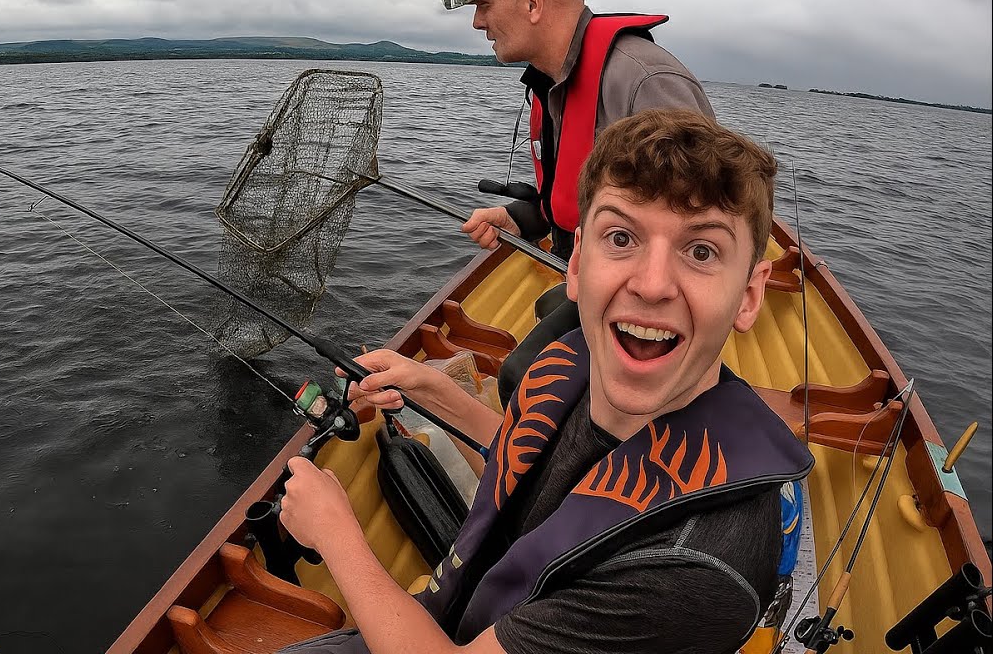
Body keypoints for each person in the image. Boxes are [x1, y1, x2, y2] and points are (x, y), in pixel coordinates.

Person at [277, 109, 814, 654]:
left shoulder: (690, 569)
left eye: (701, 251)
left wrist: (334, 533)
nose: (652, 286)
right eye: (622, 237)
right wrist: (430, 387)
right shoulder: (585, 360)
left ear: (749, 295)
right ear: (577, 263)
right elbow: (528, 461)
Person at [443, 0, 716, 405]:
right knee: (548, 307)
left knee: (522, 378)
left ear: (532, 2)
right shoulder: (555, 81)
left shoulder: (645, 83)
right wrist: (522, 218)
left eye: (485, 4)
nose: (477, 21)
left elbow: (703, 230)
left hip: (647, 299)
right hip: (589, 272)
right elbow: (582, 196)